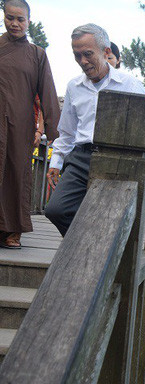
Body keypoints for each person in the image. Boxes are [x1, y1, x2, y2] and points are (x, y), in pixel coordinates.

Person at [45, 24, 145, 236]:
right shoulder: (74, 86)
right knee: (56, 210)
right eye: (77, 56)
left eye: (88, 54)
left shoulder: (128, 83)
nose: (83, 62)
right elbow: (67, 131)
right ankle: (88, 245)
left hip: (117, 160)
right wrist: (56, 162)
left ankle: (92, 251)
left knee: (110, 216)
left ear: (106, 53)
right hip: (81, 157)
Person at [0, 0, 60, 249]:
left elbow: (47, 91)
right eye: (10, 18)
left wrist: (53, 128)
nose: (15, 23)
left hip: (19, 123)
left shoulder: (37, 55)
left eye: (20, 19)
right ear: (4, 17)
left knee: (17, 172)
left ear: (28, 21)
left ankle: (13, 229)